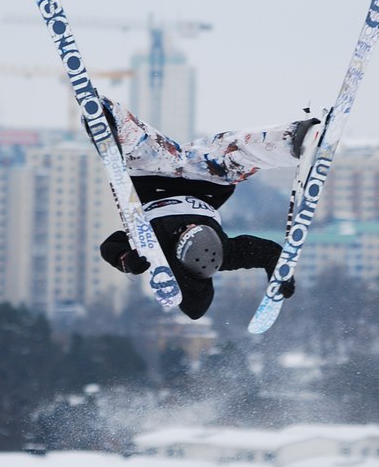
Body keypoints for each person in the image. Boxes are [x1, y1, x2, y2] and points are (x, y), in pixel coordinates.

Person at [98, 97, 320, 320]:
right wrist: (280, 272)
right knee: (238, 153)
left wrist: (125, 259)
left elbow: (111, 244)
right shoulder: (226, 254)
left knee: (150, 152)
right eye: (198, 228)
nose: (191, 224)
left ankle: (112, 120)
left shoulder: (156, 250)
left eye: (186, 230)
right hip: (207, 179)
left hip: (152, 177)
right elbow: (268, 252)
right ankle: (293, 139)